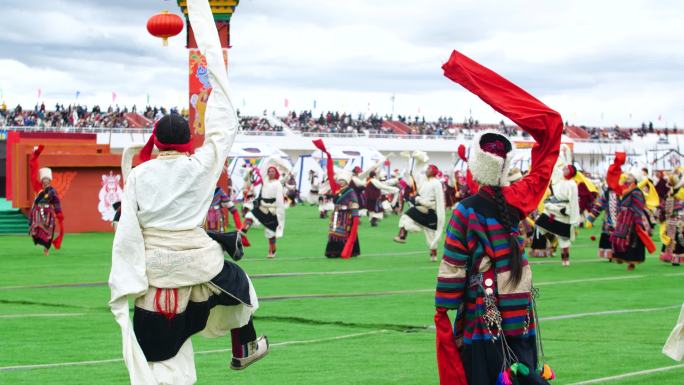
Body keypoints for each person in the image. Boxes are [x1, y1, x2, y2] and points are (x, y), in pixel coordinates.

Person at [108, 2, 268, 383]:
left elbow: (127, 229)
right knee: (242, 289)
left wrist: (124, 278)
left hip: (156, 276)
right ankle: (243, 347)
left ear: (157, 141)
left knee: (163, 363)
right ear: (184, 142)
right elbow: (223, 128)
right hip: (200, 268)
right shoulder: (201, 167)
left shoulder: (140, 175)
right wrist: (220, 87)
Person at [434, 50, 561, 385]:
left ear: (476, 166)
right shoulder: (520, 198)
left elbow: (453, 268)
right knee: (523, 369)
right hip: (520, 311)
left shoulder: (464, 211)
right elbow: (549, 144)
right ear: (506, 166)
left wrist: (443, 309)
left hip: (483, 315)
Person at [607, 157, 655, 271]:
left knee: (632, 241)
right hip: (624, 218)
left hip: (632, 219)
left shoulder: (637, 192)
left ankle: (631, 262)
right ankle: (620, 257)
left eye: (630, 176)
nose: (627, 177)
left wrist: (637, 222)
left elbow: (638, 208)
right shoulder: (628, 190)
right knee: (620, 237)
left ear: (635, 179)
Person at [393, 163, 446, 262]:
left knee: (430, 235)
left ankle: (433, 251)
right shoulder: (424, 181)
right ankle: (402, 235)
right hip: (420, 208)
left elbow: (439, 201)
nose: (427, 170)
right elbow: (413, 176)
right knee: (406, 216)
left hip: (430, 211)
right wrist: (413, 161)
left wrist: (419, 199)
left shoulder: (436, 183)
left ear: (433, 172)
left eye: (429, 169)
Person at [534, 159, 581, 267]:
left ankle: (565, 258)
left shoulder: (572, 184)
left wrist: (574, 219)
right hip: (552, 208)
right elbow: (554, 167)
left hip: (564, 211)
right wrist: (557, 154)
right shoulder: (559, 179)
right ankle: (552, 238)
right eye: (564, 169)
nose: (564, 170)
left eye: (566, 169)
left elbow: (574, 201)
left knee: (564, 238)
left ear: (570, 172)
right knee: (539, 224)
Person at [242, 157, 287, 258]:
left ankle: (272, 251)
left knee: (270, 232)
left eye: (272, 171)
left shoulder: (278, 184)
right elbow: (265, 165)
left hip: (272, 210)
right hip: (261, 206)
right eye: (269, 171)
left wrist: (279, 215)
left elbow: (280, 201)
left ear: (275, 173)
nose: (270, 172)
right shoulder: (265, 180)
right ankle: (243, 232)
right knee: (250, 215)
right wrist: (273, 159)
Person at [27, 145, 64, 255]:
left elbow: (56, 203)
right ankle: (38, 241)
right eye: (44, 179)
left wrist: (59, 214)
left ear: (50, 180)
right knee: (36, 228)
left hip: (48, 213)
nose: (45, 181)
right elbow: (33, 173)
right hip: (38, 211)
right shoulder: (38, 187)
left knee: (49, 230)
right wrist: (35, 157)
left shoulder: (52, 191)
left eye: (47, 179)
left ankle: (47, 248)